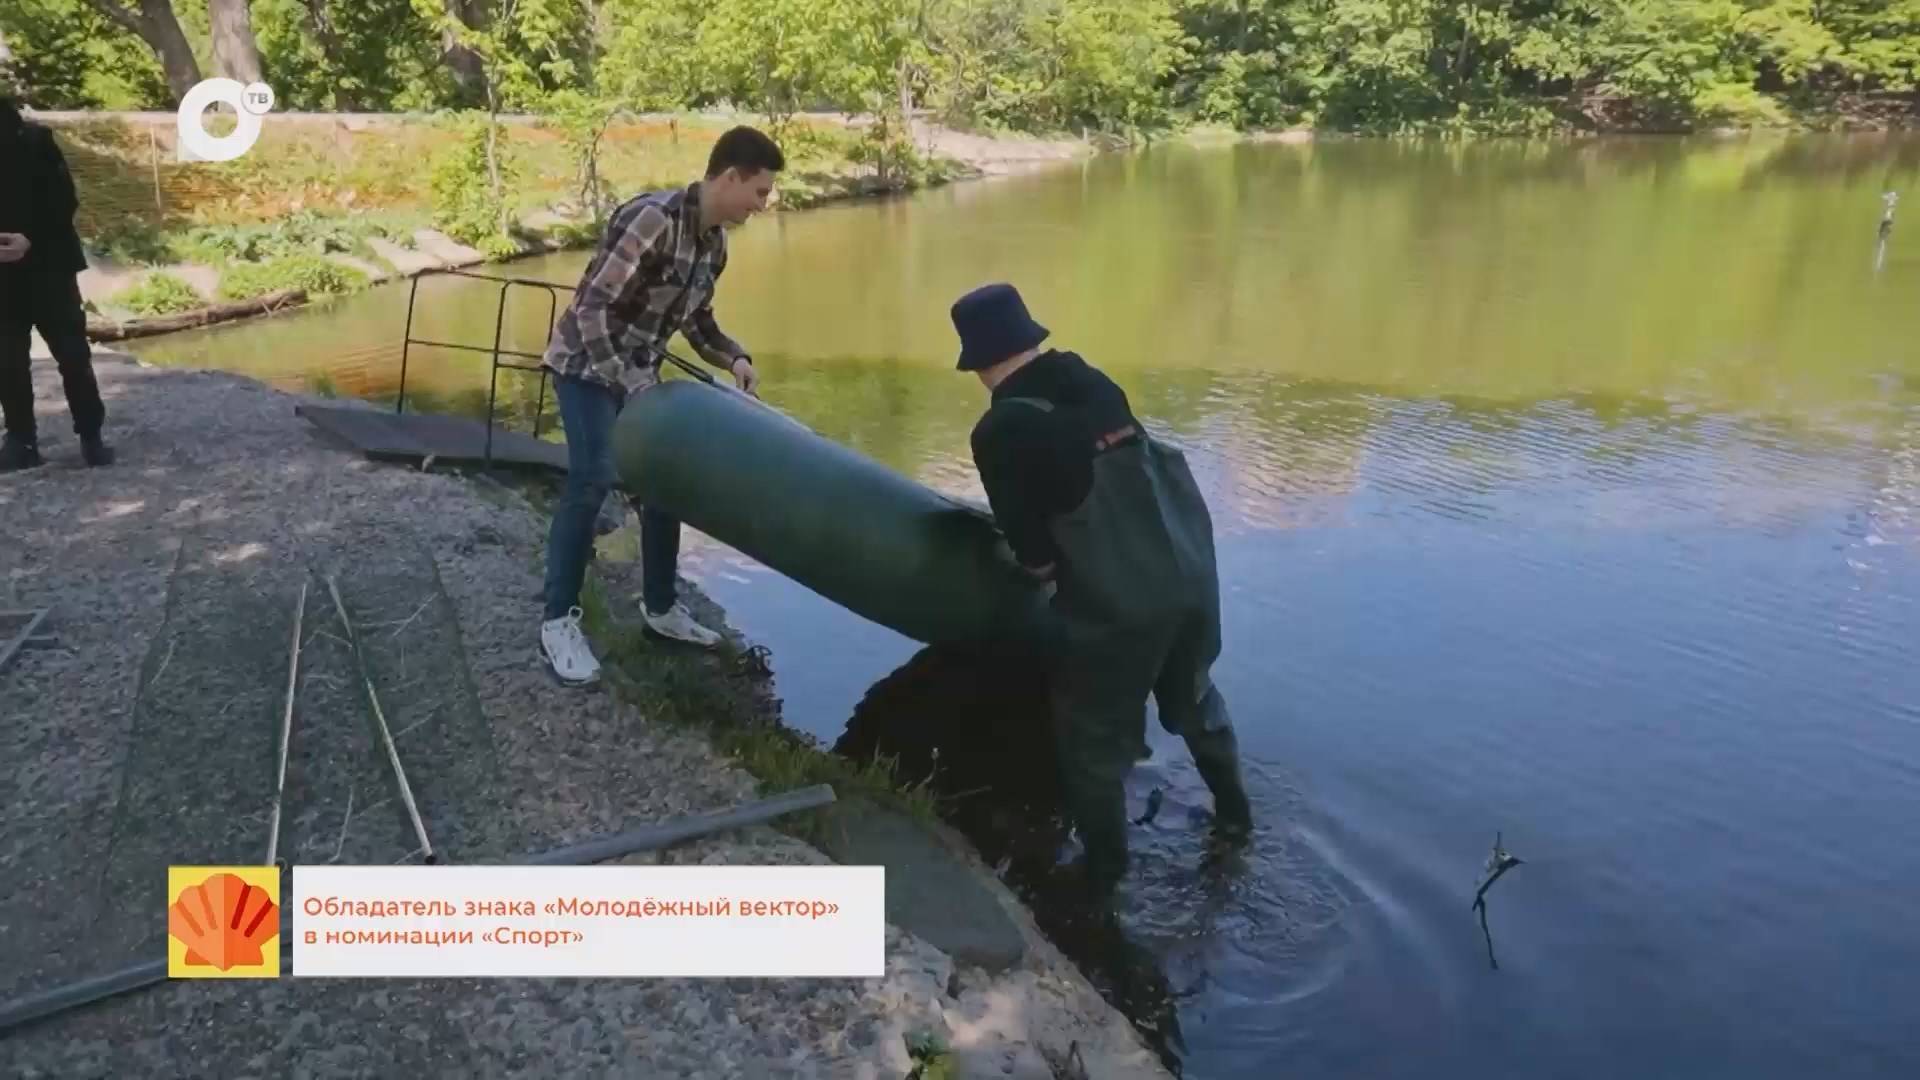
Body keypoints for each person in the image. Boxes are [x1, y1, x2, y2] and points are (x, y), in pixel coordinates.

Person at [952, 282, 1253, 894]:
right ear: (1031, 338)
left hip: (1121, 607)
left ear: (977, 361)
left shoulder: (998, 432)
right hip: (1191, 573)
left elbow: (1036, 561)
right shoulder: (1093, 382)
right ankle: (1238, 821)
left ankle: (1105, 877)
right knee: (1196, 702)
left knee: (1093, 743)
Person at [537, 125, 782, 686]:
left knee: (665, 481)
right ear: (729, 178)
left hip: (636, 376)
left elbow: (697, 321)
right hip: (585, 365)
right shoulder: (652, 219)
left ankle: (662, 609)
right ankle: (558, 622)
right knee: (593, 478)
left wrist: (734, 358)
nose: (763, 204)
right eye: (761, 192)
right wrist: (625, 379)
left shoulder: (714, 244)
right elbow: (592, 311)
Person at [0, 94, 112, 471]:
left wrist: (29, 238)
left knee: (73, 355)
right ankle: (21, 441)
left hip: (50, 268)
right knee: (7, 363)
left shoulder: (36, 142)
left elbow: (63, 201)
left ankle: (92, 436)